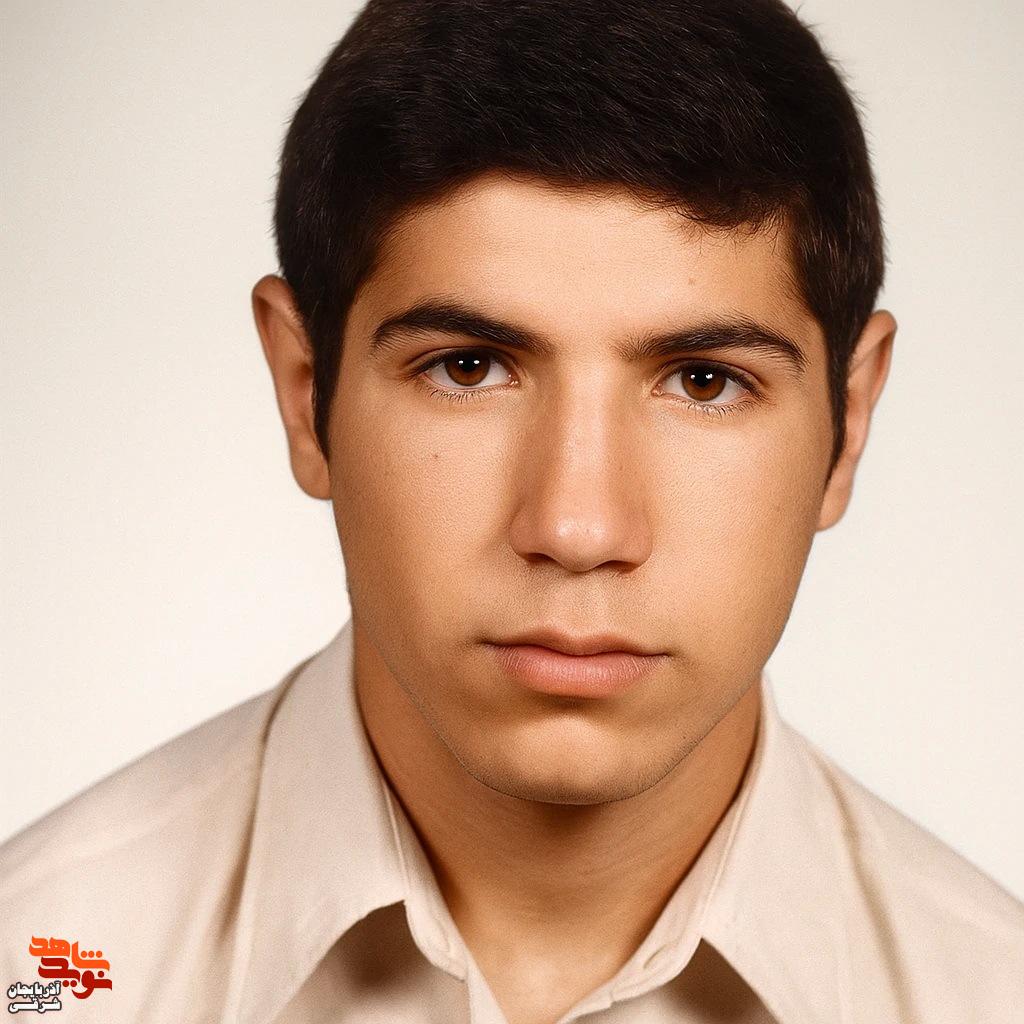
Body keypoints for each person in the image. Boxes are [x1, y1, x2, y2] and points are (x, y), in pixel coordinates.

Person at [2, 1, 1021, 1021]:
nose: (578, 530)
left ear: (849, 420)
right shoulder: (36, 965)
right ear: (305, 394)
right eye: (468, 367)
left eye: (703, 380)